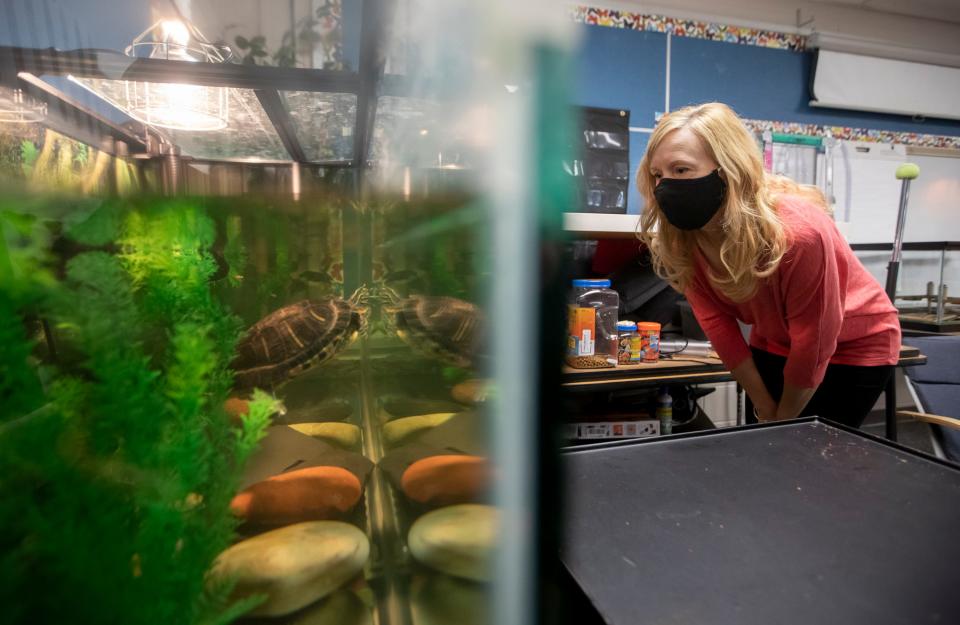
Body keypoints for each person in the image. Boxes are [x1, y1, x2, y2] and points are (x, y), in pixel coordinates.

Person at [637, 102, 900, 428]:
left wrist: (784, 421)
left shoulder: (798, 234)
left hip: (854, 342)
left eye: (681, 170)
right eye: (657, 175)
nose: (666, 187)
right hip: (776, 340)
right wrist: (765, 409)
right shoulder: (683, 239)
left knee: (813, 455)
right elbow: (719, 327)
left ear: (729, 168)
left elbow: (814, 341)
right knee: (764, 446)